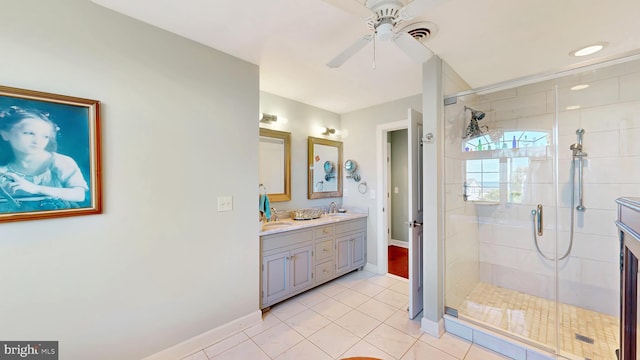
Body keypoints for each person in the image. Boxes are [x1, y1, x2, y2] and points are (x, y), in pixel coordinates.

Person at [0, 106, 88, 211]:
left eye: (45, 136)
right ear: (5, 134)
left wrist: (35, 188)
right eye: (29, 133)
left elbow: (79, 195)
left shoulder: (60, 162)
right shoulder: (3, 169)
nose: (37, 141)